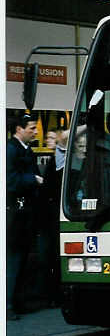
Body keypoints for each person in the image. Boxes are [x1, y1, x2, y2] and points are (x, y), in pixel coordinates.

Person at [6, 113, 44, 320]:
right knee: (14, 259)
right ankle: (8, 303)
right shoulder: (11, 150)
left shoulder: (24, 150)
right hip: (15, 214)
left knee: (21, 259)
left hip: (25, 214)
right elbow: (9, 181)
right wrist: (33, 179)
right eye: (31, 128)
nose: (35, 131)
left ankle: (16, 301)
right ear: (19, 129)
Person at [36, 128, 68, 308]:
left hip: (52, 216)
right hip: (47, 217)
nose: (47, 139)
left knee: (52, 256)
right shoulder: (51, 160)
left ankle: (52, 294)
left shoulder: (58, 160)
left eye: (51, 138)